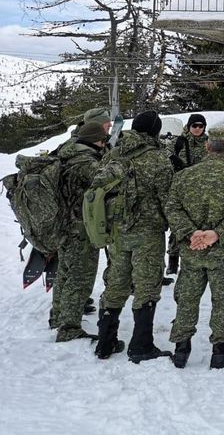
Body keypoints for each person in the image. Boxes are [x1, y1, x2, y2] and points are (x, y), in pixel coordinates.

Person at [166, 125, 224, 369]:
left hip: (193, 250)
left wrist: (190, 232)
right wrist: (218, 234)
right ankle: (220, 351)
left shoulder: (185, 176)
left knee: (187, 298)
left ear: (206, 146)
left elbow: (172, 208)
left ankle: (181, 348)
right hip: (223, 252)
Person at [95, 111, 174, 362]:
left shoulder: (114, 153)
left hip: (118, 232)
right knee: (147, 286)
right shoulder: (158, 159)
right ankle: (141, 346)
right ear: (155, 132)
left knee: (116, 282)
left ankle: (105, 343)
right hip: (147, 233)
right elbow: (167, 199)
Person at [52, 121, 108, 342]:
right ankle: (69, 327)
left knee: (64, 272)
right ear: (97, 141)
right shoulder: (86, 162)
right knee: (80, 278)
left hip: (62, 225)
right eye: (103, 141)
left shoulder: (65, 154)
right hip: (80, 228)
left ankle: (57, 316)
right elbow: (108, 179)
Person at [166, 113, 209, 278]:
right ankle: (173, 261)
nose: (197, 129)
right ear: (189, 126)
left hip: (202, 190)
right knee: (178, 226)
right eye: (194, 126)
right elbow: (164, 154)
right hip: (182, 189)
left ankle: (199, 258)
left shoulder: (208, 143)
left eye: (201, 126)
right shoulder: (179, 142)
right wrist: (174, 161)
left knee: (201, 224)